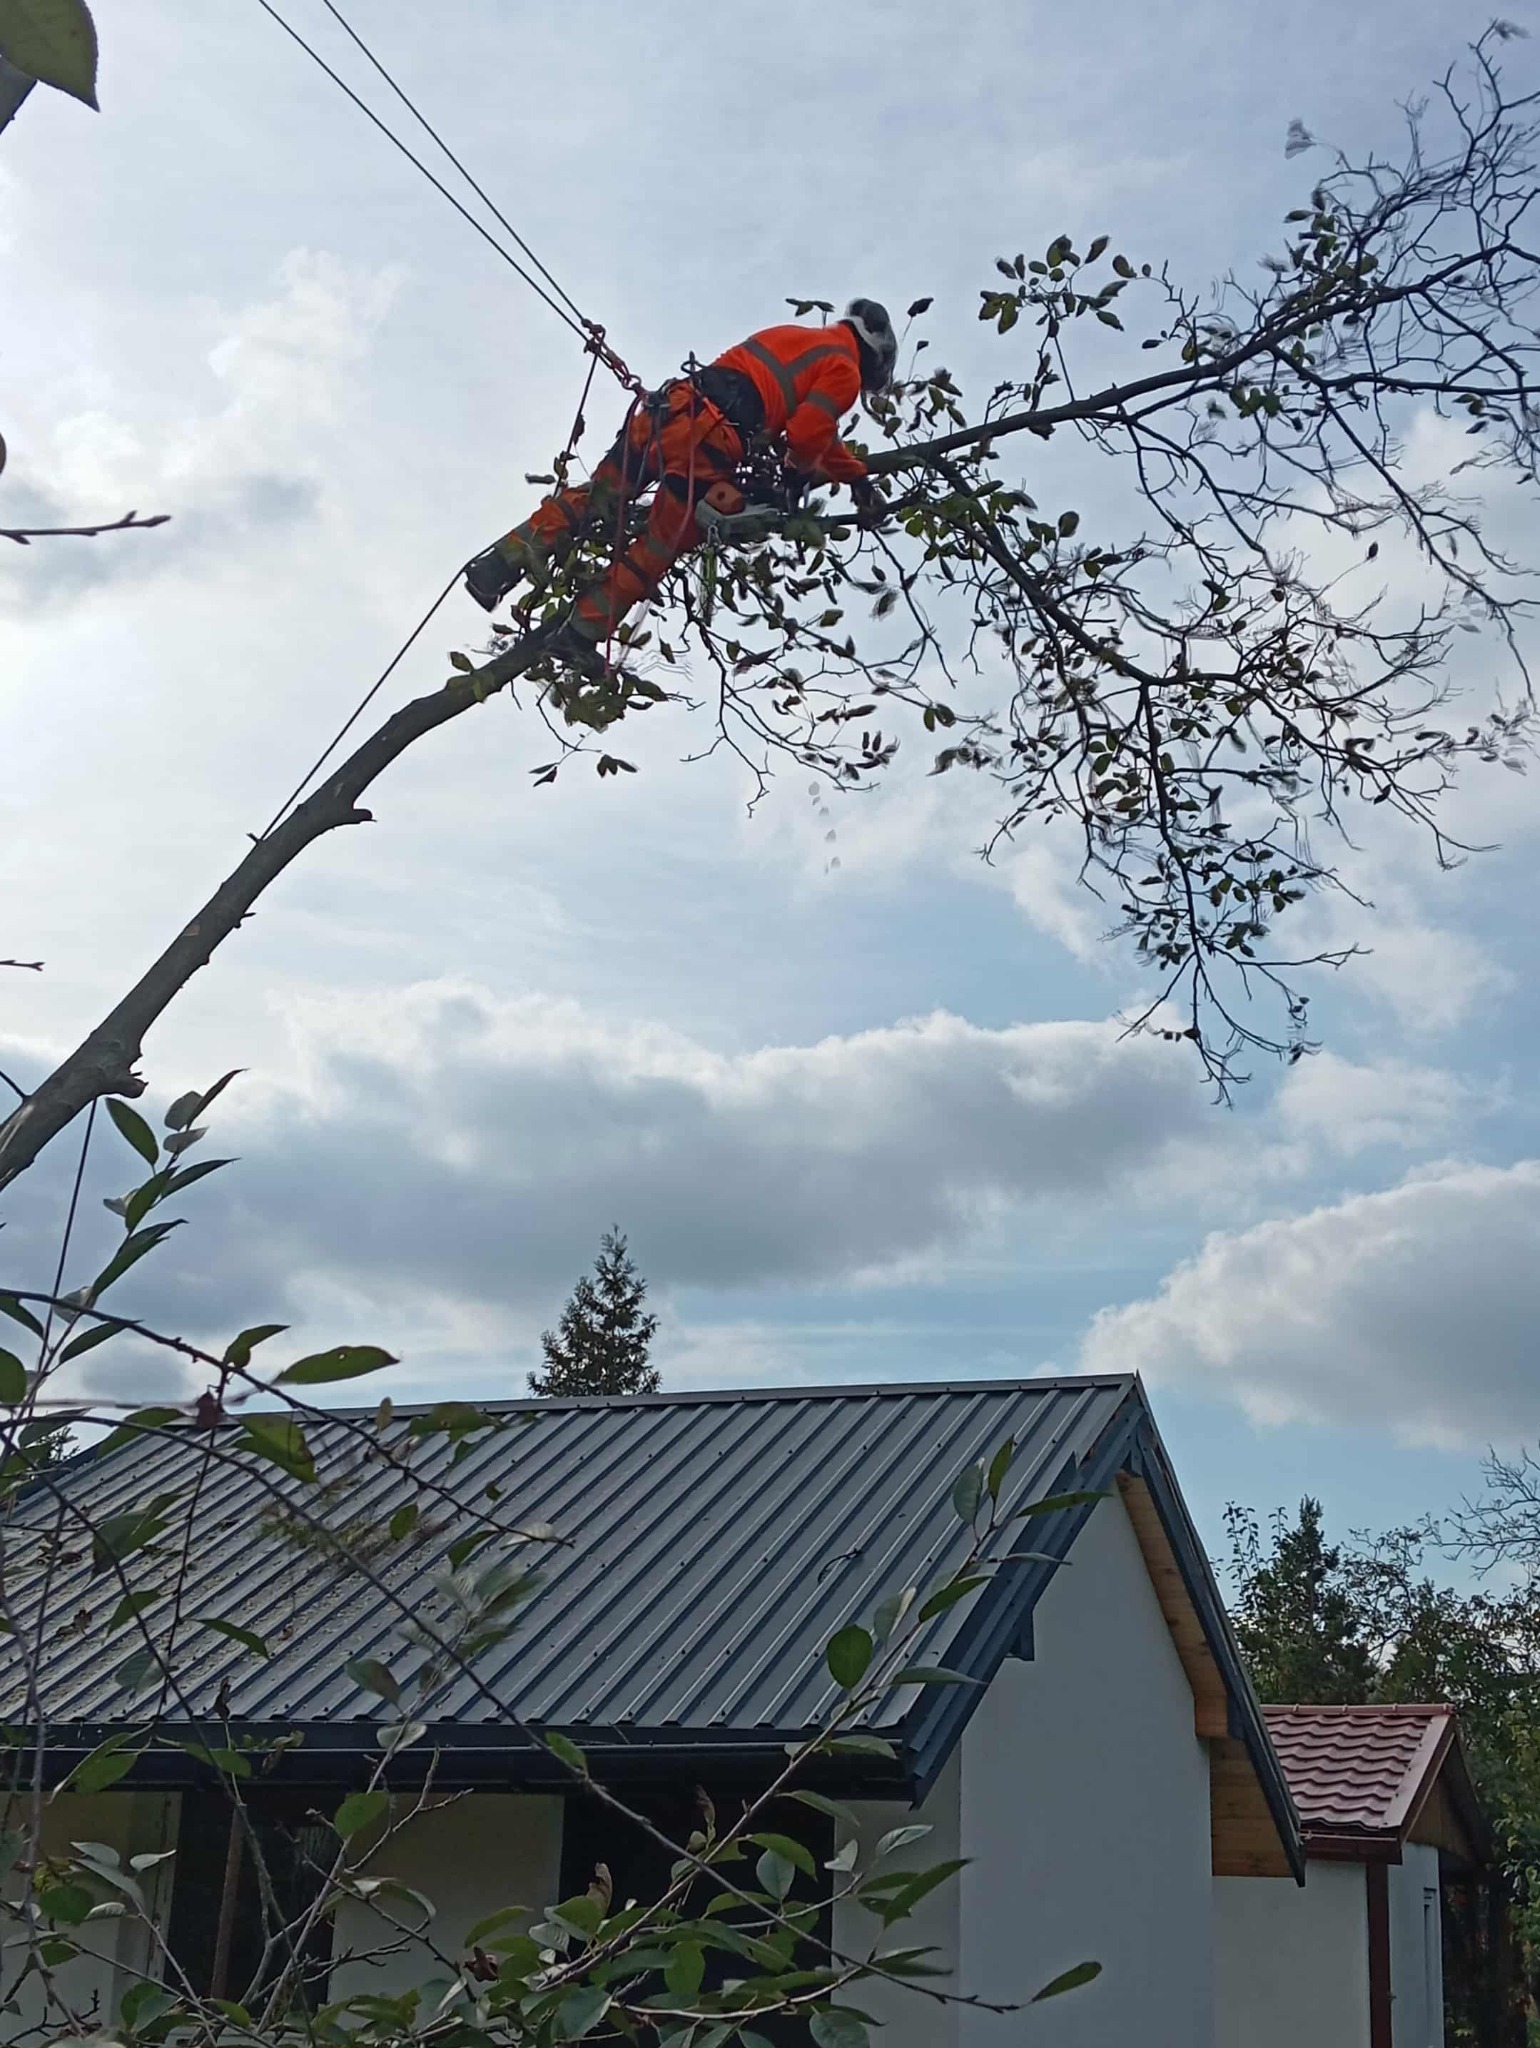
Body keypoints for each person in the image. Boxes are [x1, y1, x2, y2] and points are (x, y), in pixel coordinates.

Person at [462, 300, 898, 671]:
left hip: (668, 411)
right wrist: (800, 476)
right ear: (875, 354)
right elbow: (809, 432)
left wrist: (854, 479)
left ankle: (497, 566)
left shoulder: (795, 336)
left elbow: (803, 422)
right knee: (659, 546)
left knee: (597, 498)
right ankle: (579, 632)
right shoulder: (845, 369)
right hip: (706, 441)